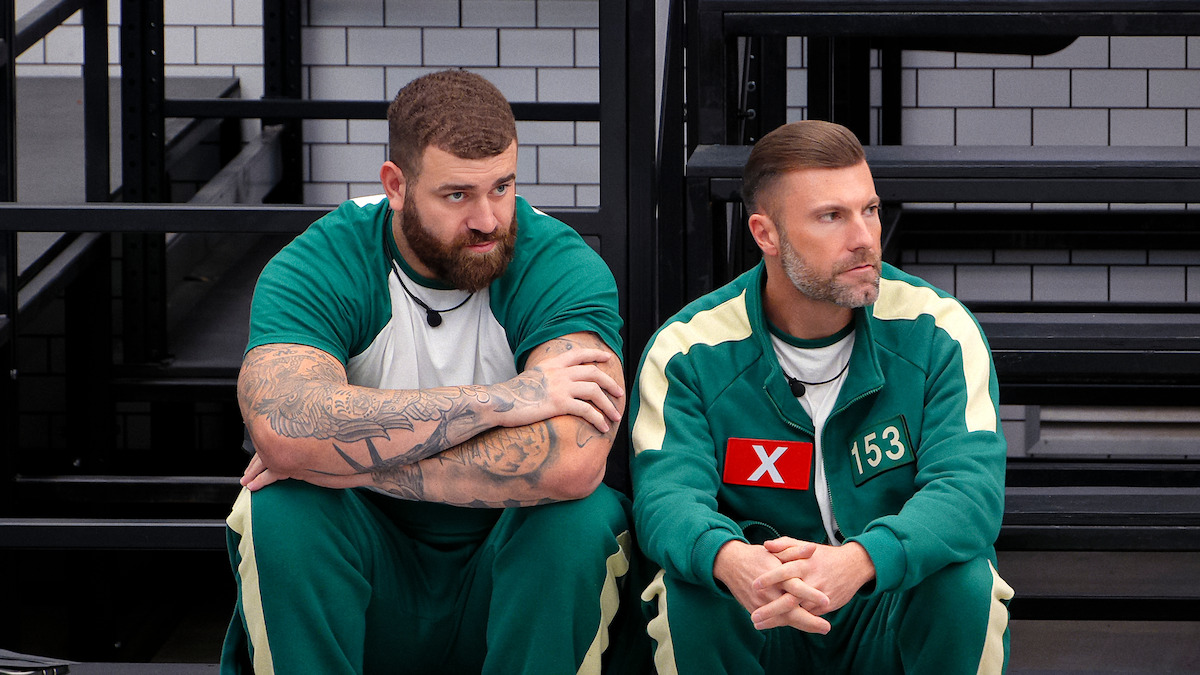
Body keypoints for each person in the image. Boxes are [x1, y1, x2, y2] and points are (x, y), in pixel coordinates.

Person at [221, 69, 634, 675]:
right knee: (280, 510)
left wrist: (333, 459)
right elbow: (286, 427)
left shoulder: (560, 264)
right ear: (396, 184)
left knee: (580, 519)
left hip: (505, 560)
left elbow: (570, 462)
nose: (489, 219)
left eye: (503, 187)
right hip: (366, 555)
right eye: (458, 195)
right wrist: (505, 400)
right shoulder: (324, 259)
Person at [628, 120, 1013, 674]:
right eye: (832, 216)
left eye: (871, 210)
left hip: (881, 604)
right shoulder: (691, 349)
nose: (864, 237)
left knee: (963, 579)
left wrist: (860, 560)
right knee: (691, 587)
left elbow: (969, 492)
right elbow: (666, 501)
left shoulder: (938, 330)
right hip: (762, 610)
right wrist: (733, 560)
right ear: (767, 234)